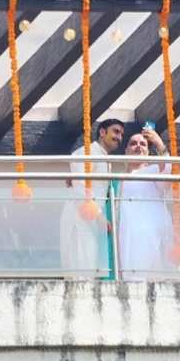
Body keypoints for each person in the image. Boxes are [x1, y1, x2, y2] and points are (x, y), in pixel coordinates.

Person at [59, 119, 124, 278]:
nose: (119, 137)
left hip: (91, 221)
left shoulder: (105, 159)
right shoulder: (87, 152)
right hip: (79, 217)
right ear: (102, 132)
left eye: (121, 134)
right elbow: (80, 186)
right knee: (81, 266)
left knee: (89, 265)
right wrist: (100, 217)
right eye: (116, 131)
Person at [117, 127, 174, 279]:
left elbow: (168, 173)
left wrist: (159, 144)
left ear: (148, 153)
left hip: (151, 237)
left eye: (143, 144)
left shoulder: (155, 170)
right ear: (126, 151)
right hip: (125, 236)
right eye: (133, 143)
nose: (138, 146)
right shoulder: (116, 179)